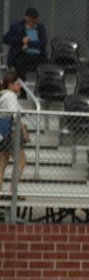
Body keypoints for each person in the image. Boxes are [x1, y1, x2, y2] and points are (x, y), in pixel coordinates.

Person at [0, 72, 32, 200]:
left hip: (3, 132)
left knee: (2, 162)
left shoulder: (3, 95)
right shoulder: (10, 96)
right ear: (11, 85)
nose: (20, 86)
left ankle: (1, 192)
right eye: (18, 84)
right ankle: (12, 191)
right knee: (21, 161)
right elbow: (15, 115)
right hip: (10, 132)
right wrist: (23, 131)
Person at [4, 7, 48, 79]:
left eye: (35, 19)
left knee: (47, 64)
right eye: (32, 19)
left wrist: (28, 44)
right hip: (22, 54)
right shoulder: (17, 27)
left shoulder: (40, 27)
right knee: (20, 64)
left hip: (38, 55)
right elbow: (6, 39)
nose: (34, 21)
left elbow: (43, 42)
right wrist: (21, 40)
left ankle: (43, 86)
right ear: (26, 18)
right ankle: (22, 86)